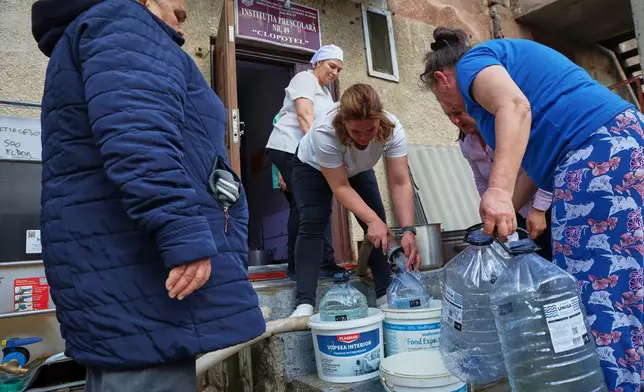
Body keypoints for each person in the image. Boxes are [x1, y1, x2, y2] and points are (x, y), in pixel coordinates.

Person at [31, 0, 265, 390]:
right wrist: (183, 232)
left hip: (123, 279)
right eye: (178, 13)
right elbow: (140, 137)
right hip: (144, 281)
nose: (183, 22)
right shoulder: (125, 22)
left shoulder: (102, 30)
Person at [422, 27, 643, 392]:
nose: (453, 112)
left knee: (595, 294)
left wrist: (497, 189)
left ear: (442, 78)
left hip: (597, 157)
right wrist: (502, 206)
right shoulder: (506, 70)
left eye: (446, 105)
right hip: (615, 147)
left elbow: (515, 107)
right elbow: (535, 170)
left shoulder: (473, 64)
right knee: (624, 287)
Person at [289, 83, 420, 317]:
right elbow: (340, 186)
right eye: (356, 132)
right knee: (313, 221)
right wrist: (372, 220)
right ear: (343, 123)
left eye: (370, 130)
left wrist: (408, 230)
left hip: (358, 168)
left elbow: (400, 182)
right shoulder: (324, 132)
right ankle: (305, 302)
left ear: (379, 119)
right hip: (312, 167)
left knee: (378, 221)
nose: (363, 138)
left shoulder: (393, 129)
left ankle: (384, 293)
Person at [265, 45, 345, 279]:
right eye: (332, 66)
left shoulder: (327, 93)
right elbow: (304, 115)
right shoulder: (304, 79)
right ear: (318, 62)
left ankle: (325, 261)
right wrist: (320, 152)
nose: (335, 73)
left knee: (317, 204)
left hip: (305, 151)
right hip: (289, 146)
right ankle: (299, 266)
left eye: (339, 69)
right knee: (304, 205)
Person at [442, 102, 553, 260]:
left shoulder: (508, 131)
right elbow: (481, 180)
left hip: (547, 205)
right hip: (518, 211)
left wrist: (540, 209)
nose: (455, 121)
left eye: (459, 113)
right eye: (449, 116)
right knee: (530, 262)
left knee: (556, 262)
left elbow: (545, 162)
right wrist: (490, 213)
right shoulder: (466, 143)